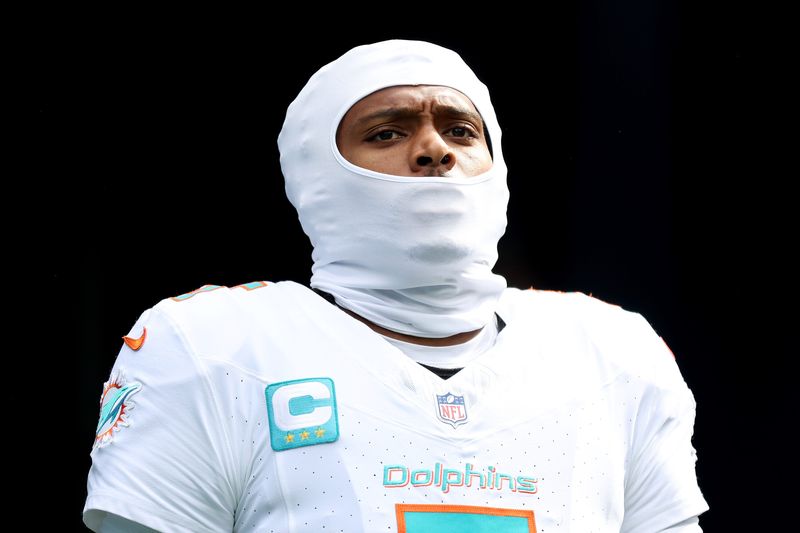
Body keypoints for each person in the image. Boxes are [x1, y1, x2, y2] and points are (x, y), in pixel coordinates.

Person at [83, 39, 708, 532]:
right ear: (313, 173)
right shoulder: (208, 348)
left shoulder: (615, 356)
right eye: (387, 132)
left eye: (461, 130)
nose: (434, 149)